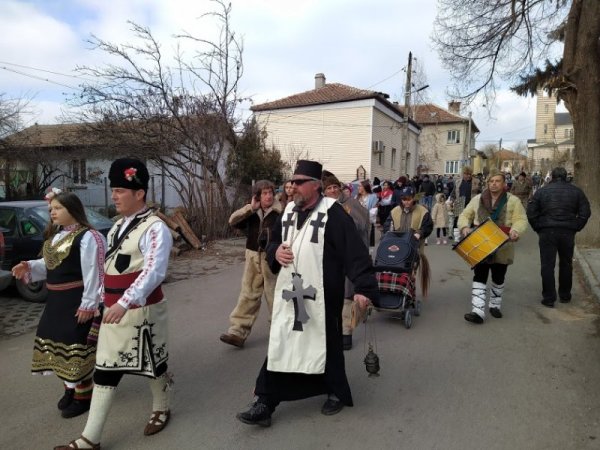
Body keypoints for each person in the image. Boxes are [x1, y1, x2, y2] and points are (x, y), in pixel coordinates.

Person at [236, 160, 377, 427]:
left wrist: (364, 288)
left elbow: (354, 253)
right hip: (290, 295)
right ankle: (265, 401)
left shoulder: (334, 214)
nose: (293, 187)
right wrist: (275, 251)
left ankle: (335, 390)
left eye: (300, 182)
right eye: (292, 182)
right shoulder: (288, 211)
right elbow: (272, 242)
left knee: (326, 344)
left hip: (323, 295)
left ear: (316, 185)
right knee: (281, 343)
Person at [55, 158, 173, 450]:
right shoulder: (117, 225)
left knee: (153, 363)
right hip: (113, 311)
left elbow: (153, 272)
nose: (114, 196)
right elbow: (106, 269)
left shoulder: (156, 228)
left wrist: (125, 301)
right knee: (106, 369)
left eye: (120, 190)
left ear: (139, 193)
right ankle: (90, 438)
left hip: (142, 312)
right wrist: (97, 301)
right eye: (114, 189)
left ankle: (162, 406)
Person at [12, 190, 106, 419]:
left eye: (57, 208)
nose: (52, 212)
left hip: (77, 300)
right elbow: (50, 264)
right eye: (51, 209)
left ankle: (84, 396)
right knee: (54, 343)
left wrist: (89, 304)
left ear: (72, 210)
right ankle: (69, 389)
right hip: (55, 303)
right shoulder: (57, 237)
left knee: (77, 347)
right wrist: (30, 267)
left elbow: (95, 272)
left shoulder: (89, 237)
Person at [458, 170, 528, 324]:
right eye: (491, 181)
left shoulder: (513, 201)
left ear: (504, 184)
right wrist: (464, 227)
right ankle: (477, 311)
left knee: (498, 276)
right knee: (480, 275)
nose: (493, 184)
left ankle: (494, 305)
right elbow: (464, 215)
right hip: (480, 243)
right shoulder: (477, 199)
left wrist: (516, 230)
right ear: (487, 183)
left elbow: (521, 219)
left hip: (503, 244)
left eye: (497, 181)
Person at [220, 180, 281, 348]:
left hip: (272, 259)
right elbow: (232, 221)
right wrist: (251, 208)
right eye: (264, 193)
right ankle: (237, 333)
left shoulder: (280, 211)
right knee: (248, 295)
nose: (268, 196)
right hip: (253, 256)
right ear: (258, 196)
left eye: (270, 192)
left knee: (275, 297)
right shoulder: (252, 211)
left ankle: (281, 333)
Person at [526, 167, 591, 307]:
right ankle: (565, 295)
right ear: (566, 176)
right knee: (566, 263)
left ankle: (549, 298)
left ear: (552, 177)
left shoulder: (542, 191)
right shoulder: (576, 191)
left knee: (547, 265)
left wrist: (538, 227)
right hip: (568, 231)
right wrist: (576, 226)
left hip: (547, 231)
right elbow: (585, 212)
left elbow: (531, 211)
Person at [322, 173, 369, 351]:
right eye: (328, 188)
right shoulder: (324, 206)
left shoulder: (350, 203)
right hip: (332, 257)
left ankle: (346, 334)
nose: (333, 190)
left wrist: (342, 222)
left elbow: (361, 225)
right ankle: (335, 330)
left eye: (335, 187)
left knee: (348, 294)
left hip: (350, 255)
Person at [449, 166, 481, 241]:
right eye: (466, 174)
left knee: (473, 220)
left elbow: (481, 193)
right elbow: (453, 193)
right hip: (459, 203)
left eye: (470, 174)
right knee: (457, 220)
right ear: (463, 174)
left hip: (471, 204)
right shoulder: (458, 181)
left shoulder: (476, 181)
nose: (468, 176)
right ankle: (457, 238)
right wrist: (451, 200)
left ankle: (471, 237)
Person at [356, 180, 378, 247]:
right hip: (358, 223)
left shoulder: (373, 197)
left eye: (360, 186)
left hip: (368, 222)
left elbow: (374, 210)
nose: (358, 188)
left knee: (368, 241)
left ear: (365, 187)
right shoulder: (357, 197)